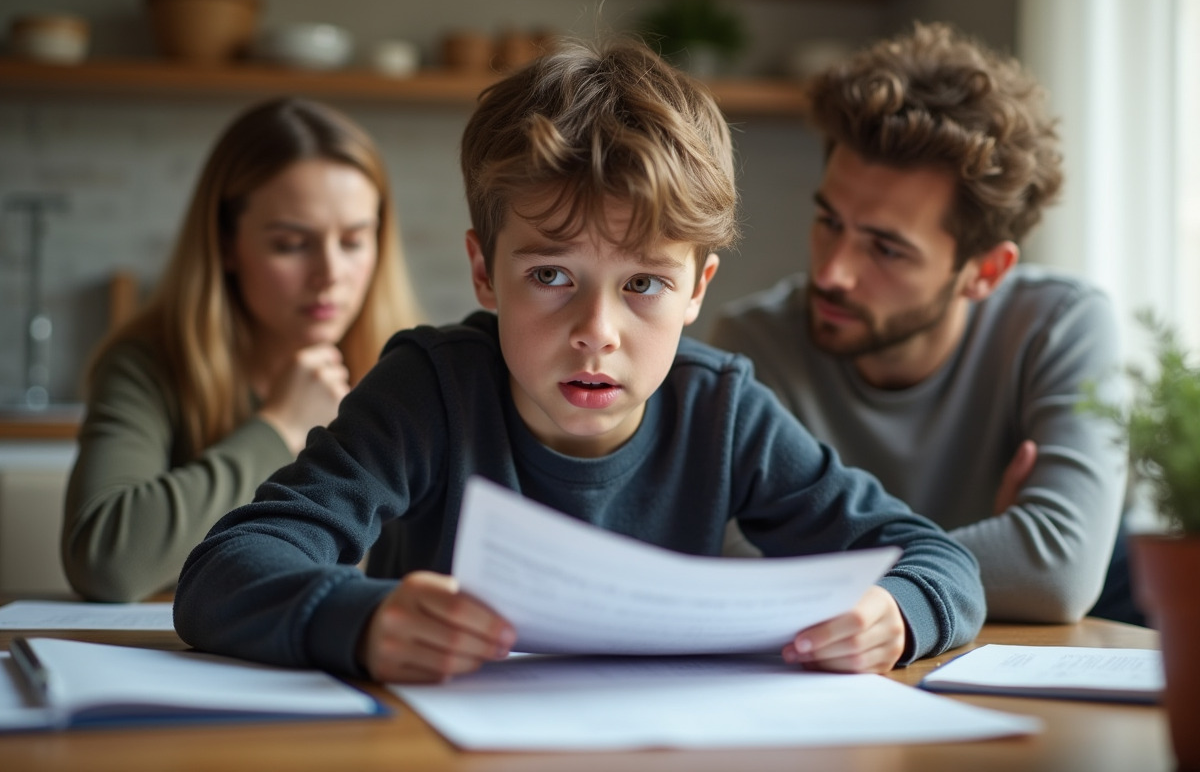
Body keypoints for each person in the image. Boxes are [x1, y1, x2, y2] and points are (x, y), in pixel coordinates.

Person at [173, 37, 985, 684]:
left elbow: (938, 559)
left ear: (698, 288)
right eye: (552, 276)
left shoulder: (723, 411)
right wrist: (360, 618)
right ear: (485, 271)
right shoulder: (431, 391)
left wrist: (898, 612)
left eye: (643, 285)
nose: (597, 330)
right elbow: (224, 571)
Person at [710, 22, 1137, 624]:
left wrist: (819, 565)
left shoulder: (1060, 324)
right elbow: (732, 578)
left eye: (885, 249)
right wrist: (995, 546)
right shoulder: (753, 344)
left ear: (984, 271)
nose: (832, 273)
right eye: (830, 222)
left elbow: (1057, 571)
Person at [62, 97, 424, 603]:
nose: (330, 275)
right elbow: (106, 561)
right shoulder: (148, 364)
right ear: (226, 244)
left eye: (354, 240)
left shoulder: (415, 373)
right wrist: (278, 427)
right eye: (291, 244)